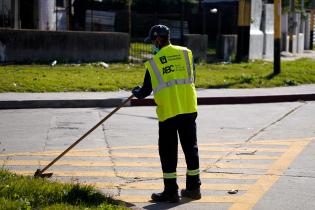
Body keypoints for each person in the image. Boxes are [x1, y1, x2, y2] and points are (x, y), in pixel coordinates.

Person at [132, 25, 201, 203]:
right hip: (188, 108)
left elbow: (144, 92)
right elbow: (191, 76)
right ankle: (194, 188)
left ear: (157, 39)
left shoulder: (155, 62)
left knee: (168, 152)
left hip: (169, 112)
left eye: (153, 41)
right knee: (190, 149)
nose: (152, 45)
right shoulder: (186, 53)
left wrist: (136, 91)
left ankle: (171, 191)